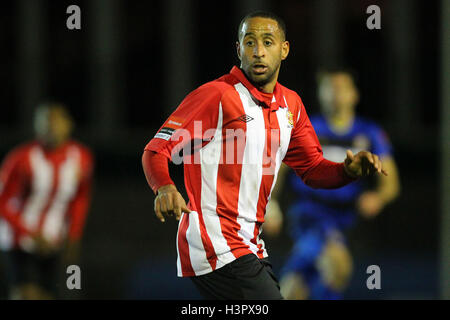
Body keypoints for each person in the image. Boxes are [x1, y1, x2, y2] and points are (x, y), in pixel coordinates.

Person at [142, 11, 387, 300]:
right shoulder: (217, 96)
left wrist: (349, 171)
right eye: (250, 42)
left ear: (284, 50)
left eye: (268, 42)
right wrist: (165, 187)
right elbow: (156, 149)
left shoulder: (291, 105)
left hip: (250, 244)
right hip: (215, 243)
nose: (258, 52)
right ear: (238, 49)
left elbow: (312, 169)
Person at [264, 68, 401, 299]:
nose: (334, 94)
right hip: (309, 214)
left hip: (348, 221)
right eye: (329, 88)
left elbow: (392, 183)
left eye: (341, 88)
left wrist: (378, 197)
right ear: (320, 94)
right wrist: (270, 205)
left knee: (294, 289)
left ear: (354, 94)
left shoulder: (369, 133)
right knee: (337, 264)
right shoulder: (306, 128)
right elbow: (277, 168)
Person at [0, 102, 94, 299]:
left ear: (69, 124)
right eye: (46, 122)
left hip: (56, 241)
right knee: (26, 295)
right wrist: (29, 233)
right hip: (19, 241)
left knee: (65, 291)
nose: (51, 127)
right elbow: (2, 202)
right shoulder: (21, 158)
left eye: (56, 121)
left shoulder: (81, 158)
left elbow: (80, 198)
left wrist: (74, 235)